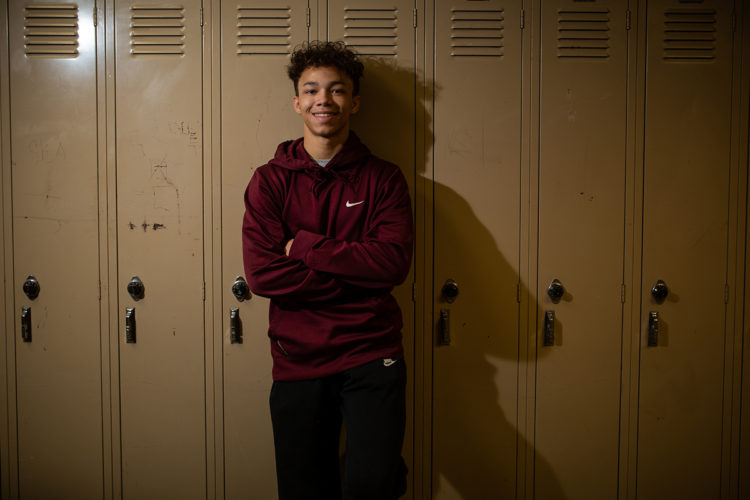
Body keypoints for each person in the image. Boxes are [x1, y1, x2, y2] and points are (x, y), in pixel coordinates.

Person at [241, 40, 414, 500]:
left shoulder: (384, 179)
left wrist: (308, 246)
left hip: (372, 354)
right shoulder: (270, 180)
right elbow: (262, 275)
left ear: (353, 102)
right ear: (297, 101)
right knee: (304, 490)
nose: (324, 100)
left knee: (373, 487)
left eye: (337, 91)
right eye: (312, 90)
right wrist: (358, 275)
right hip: (299, 360)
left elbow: (393, 263)